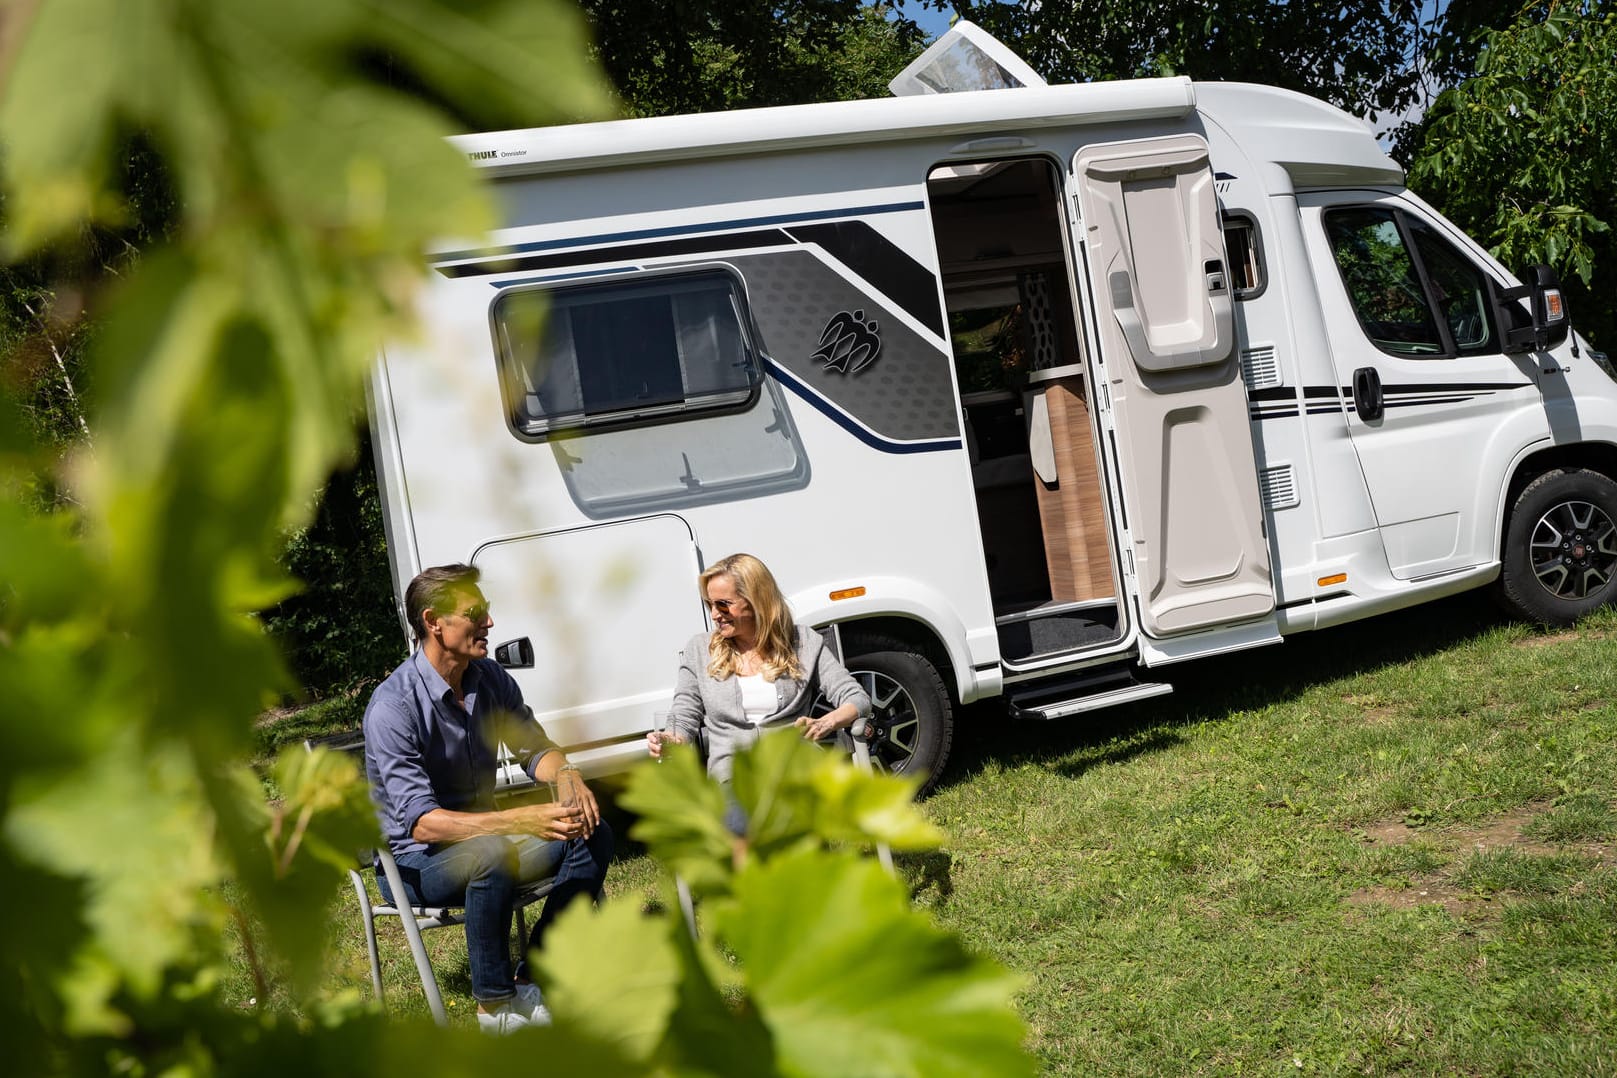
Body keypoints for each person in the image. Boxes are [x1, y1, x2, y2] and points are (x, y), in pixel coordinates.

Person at [363, 564, 612, 1034]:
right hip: (416, 865)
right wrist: (520, 821)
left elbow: (536, 749)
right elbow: (422, 824)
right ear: (434, 622)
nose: (490, 624)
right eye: (474, 614)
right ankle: (495, 1009)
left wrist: (569, 776)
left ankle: (533, 976)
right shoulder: (393, 707)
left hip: (487, 847)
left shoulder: (490, 679)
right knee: (490, 852)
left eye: (487, 612)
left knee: (590, 828)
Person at [646, 553, 871, 792]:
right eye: (710, 604)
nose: (714, 614)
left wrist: (827, 722)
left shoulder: (803, 642)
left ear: (756, 601)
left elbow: (856, 698)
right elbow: (684, 713)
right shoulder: (700, 650)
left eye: (723, 604)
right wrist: (673, 739)